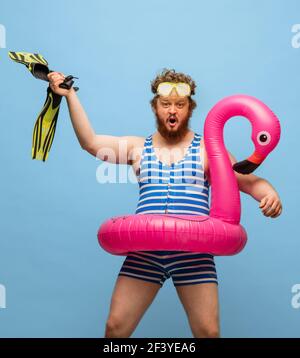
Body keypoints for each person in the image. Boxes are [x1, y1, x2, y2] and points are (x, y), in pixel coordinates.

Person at [48, 69, 283, 338]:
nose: (173, 111)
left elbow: (251, 182)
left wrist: (270, 194)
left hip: (193, 254)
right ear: (155, 107)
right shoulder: (138, 147)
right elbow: (91, 142)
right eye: (166, 104)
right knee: (115, 329)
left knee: (207, 332)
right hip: (146, 252)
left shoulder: (208, 150)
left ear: (189, 108)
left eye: (180, 105)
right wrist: (69, 97)